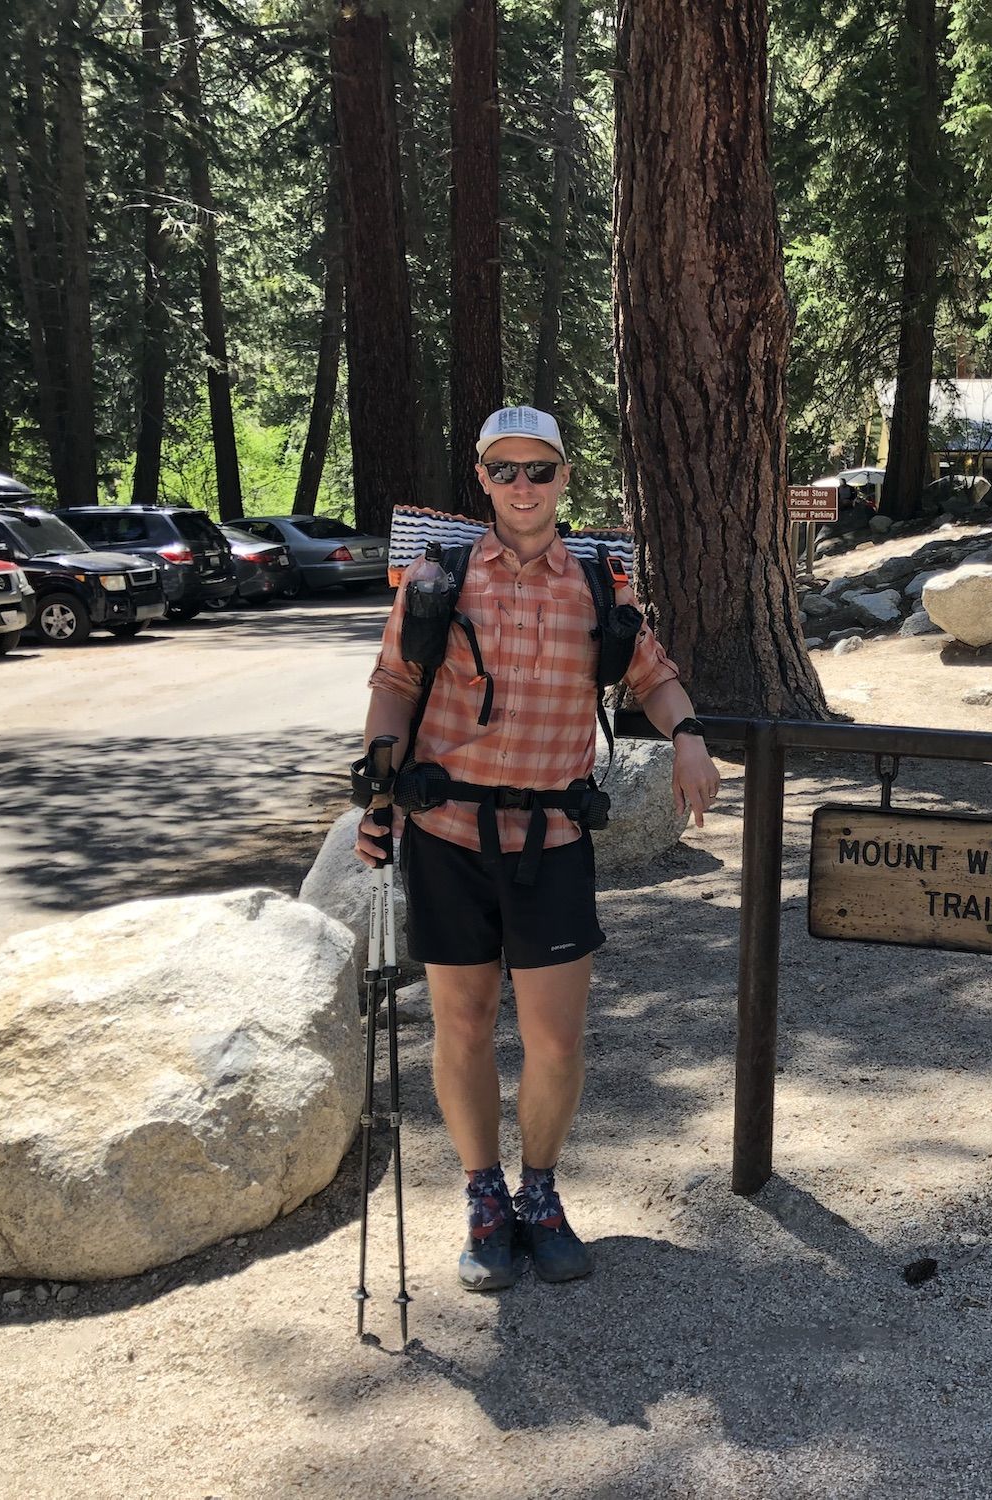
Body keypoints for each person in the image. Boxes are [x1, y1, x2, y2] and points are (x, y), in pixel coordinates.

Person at [355, 403, 720, 1293]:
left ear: (564, 477)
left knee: (555, 1041)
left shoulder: (598, 585)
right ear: (482, 479)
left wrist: (688, 736)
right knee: (464, 1023)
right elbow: (395, 682)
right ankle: (485, 1199)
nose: (524, 486)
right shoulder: (438, 579)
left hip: (553, 837)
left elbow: (653, 673)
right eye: (505, 470)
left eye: (540, 469)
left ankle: (540, 1193)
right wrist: (378, 790)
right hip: (447, 833)